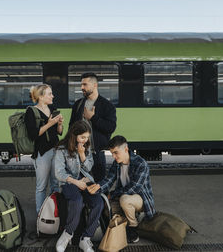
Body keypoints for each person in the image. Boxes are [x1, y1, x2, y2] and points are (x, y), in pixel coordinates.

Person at [87, 135, 156, 244]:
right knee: (107, 208)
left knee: (124, 200)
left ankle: (133, 228)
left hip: (141, 199)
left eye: (116, 152)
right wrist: (98, 187)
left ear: (126, 149)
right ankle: (128, 219)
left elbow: (134, 188)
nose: (114, 156)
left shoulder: (141, 163)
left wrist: (113, 194)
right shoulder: (117, 164)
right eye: (112, 153)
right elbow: (109, 180)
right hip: (123, 196)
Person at [54, 120, 104, 252]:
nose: (85, 140)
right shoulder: (61, 149)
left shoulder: (86, 147)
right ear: (74, 135)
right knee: (77, 201)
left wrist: (82, 154)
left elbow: (89, 167)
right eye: (82, 137)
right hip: (69, 182)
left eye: (87, 137)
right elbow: (59, 173)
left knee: (98, 202)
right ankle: (67, 234)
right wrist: (77, 182)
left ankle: (86, 238)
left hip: (86, 180)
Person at [69, 72, 117, 182]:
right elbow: (71, 127)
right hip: (79, 153)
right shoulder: (78, 104)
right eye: (81, 85)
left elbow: (111, 127)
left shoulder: (107, 106)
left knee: (99, 184)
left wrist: (93, 117)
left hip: (97, 153)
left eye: (85, 84)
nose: (82, 87)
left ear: (95, 85)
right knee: (79, 184)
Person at [25, 84, 63, 214]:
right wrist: (50, 123)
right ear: (41, 96)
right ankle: (40, 214)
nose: (52, 96)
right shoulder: (31, 111)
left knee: (55, 185)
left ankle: (56, 213)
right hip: (42, 152)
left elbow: (59, 132)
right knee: (41, 187)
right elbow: (33, 134)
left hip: (56, 151)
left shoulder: (53, 108)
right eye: (49, 94)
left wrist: (59, 124)